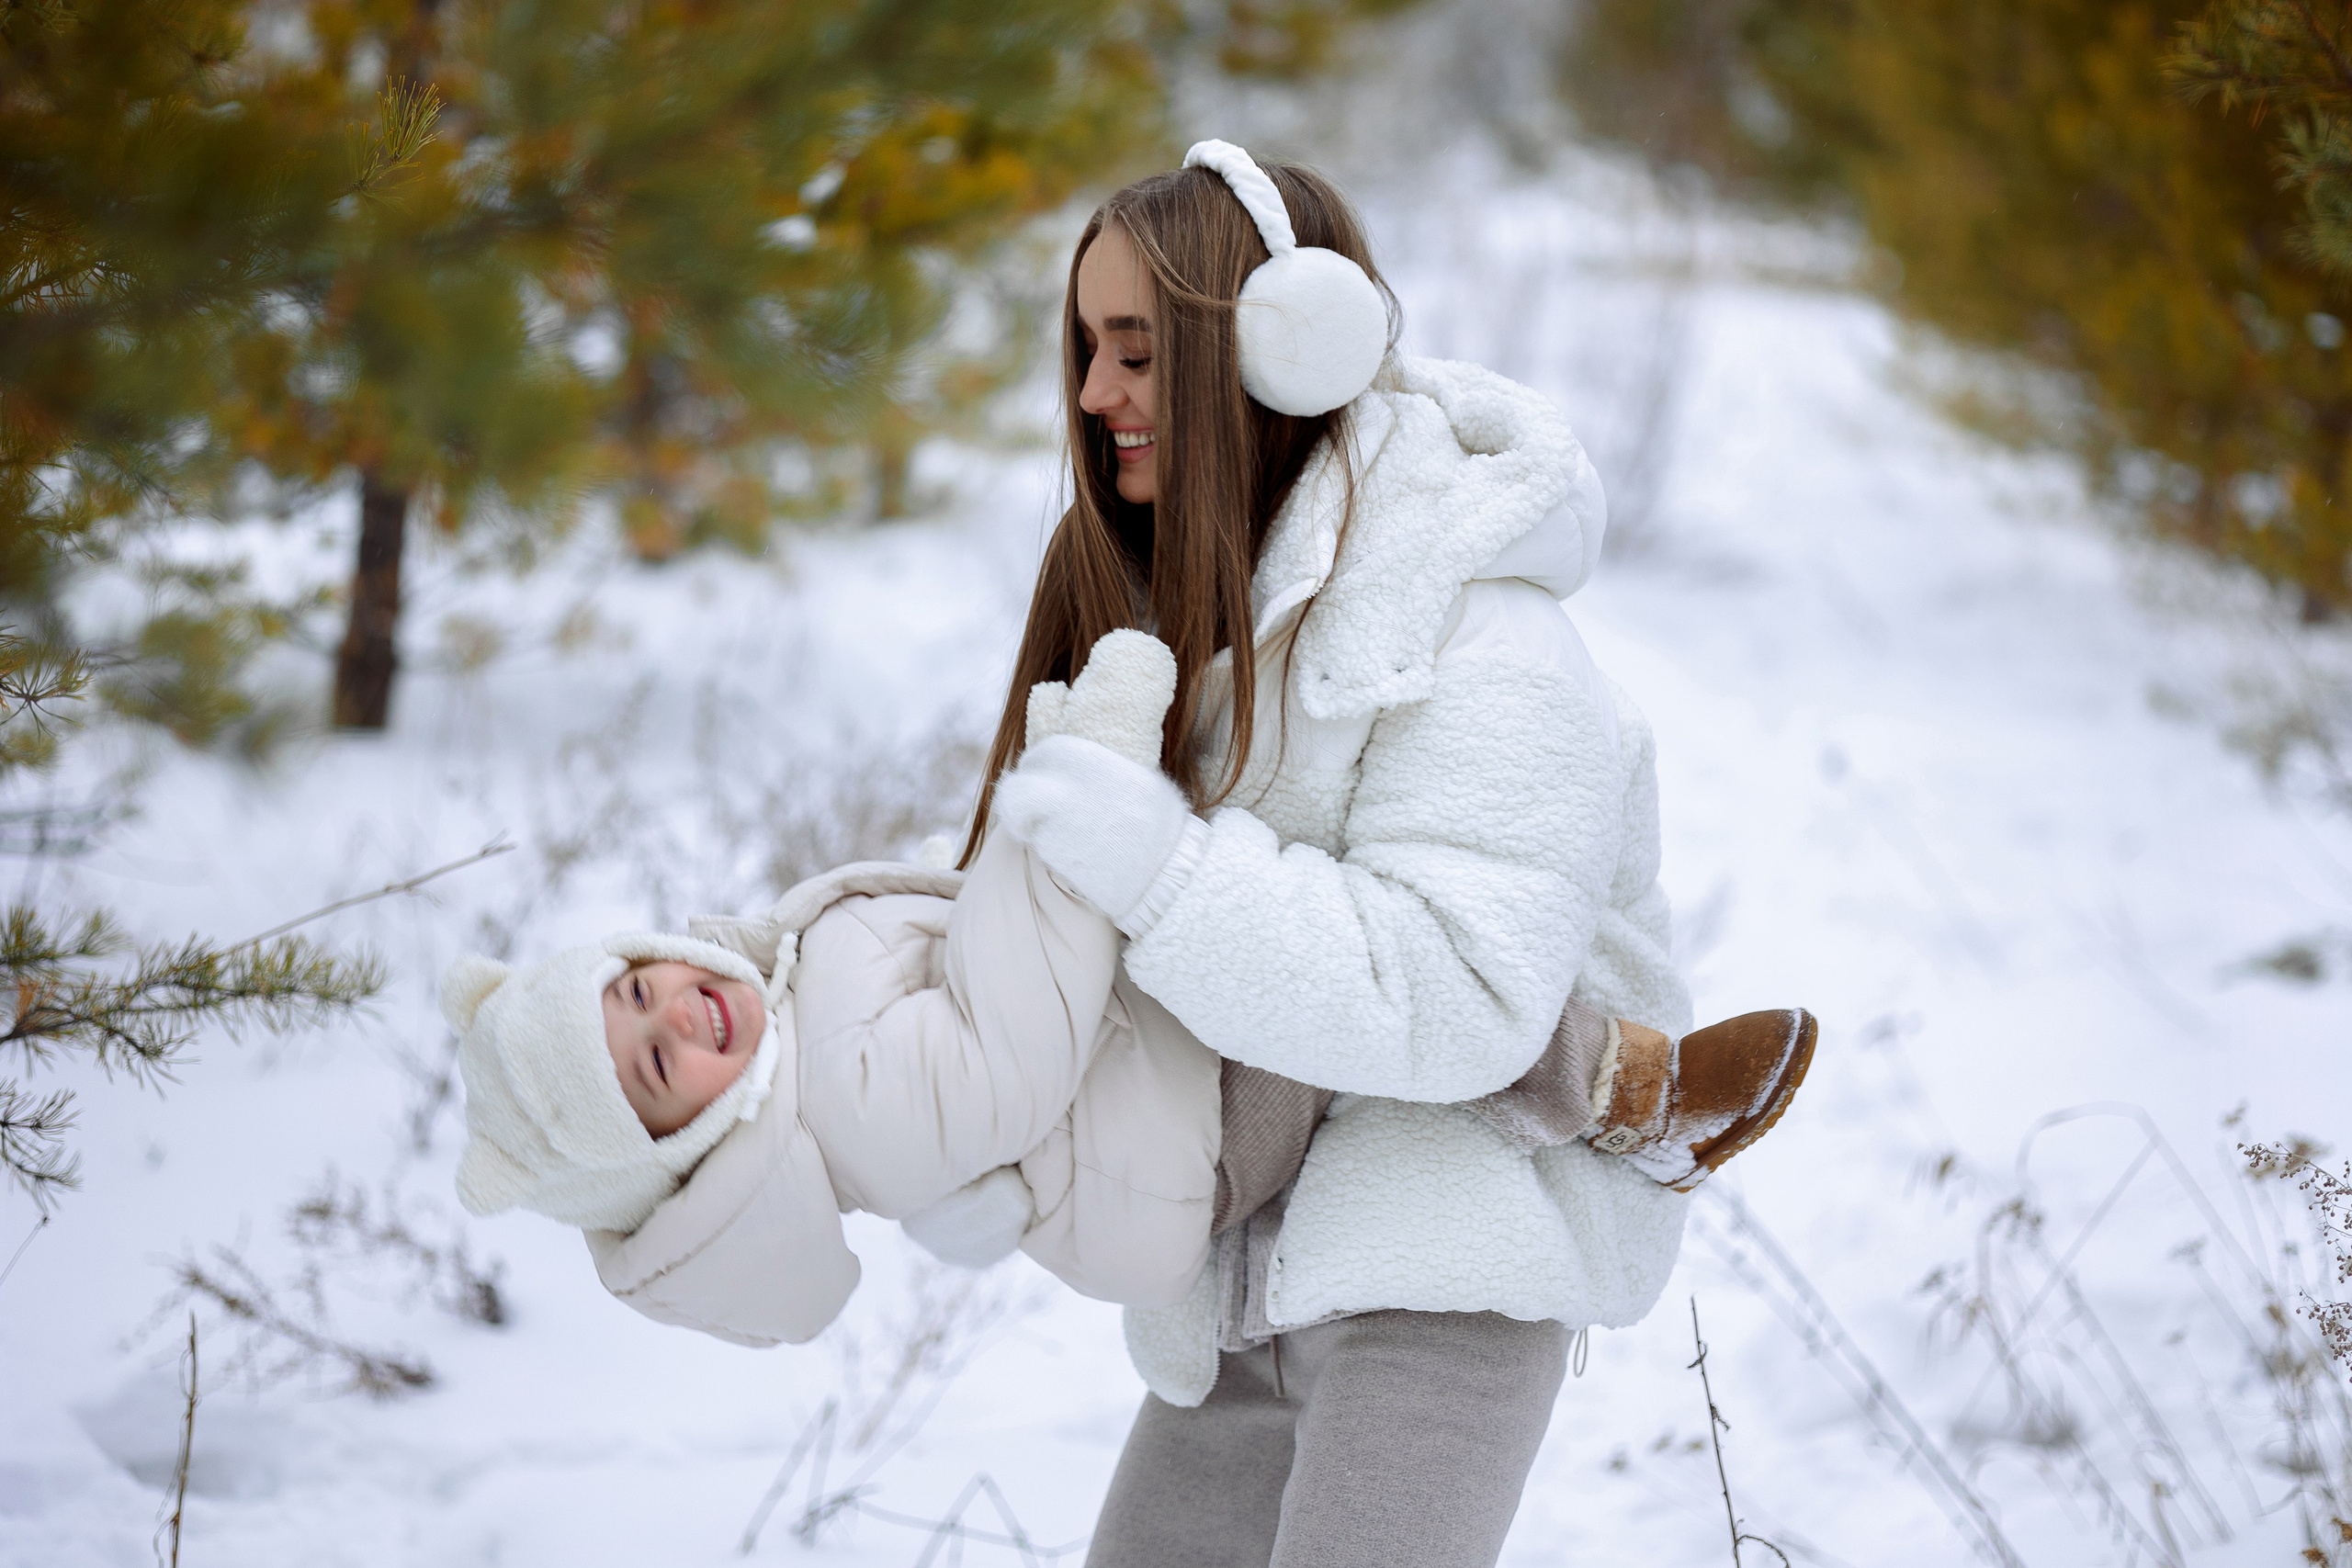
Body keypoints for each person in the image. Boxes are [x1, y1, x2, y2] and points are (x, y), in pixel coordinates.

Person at [969, 140, 1813, 1568]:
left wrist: (1162, 870)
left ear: (1288, 353)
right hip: (1233, 1277)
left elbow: (1459, 994)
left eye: (1137, 351)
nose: (1096, 395)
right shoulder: (1182, 614)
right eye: (1084, 350)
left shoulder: (1483, 633)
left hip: (1444, 1271)